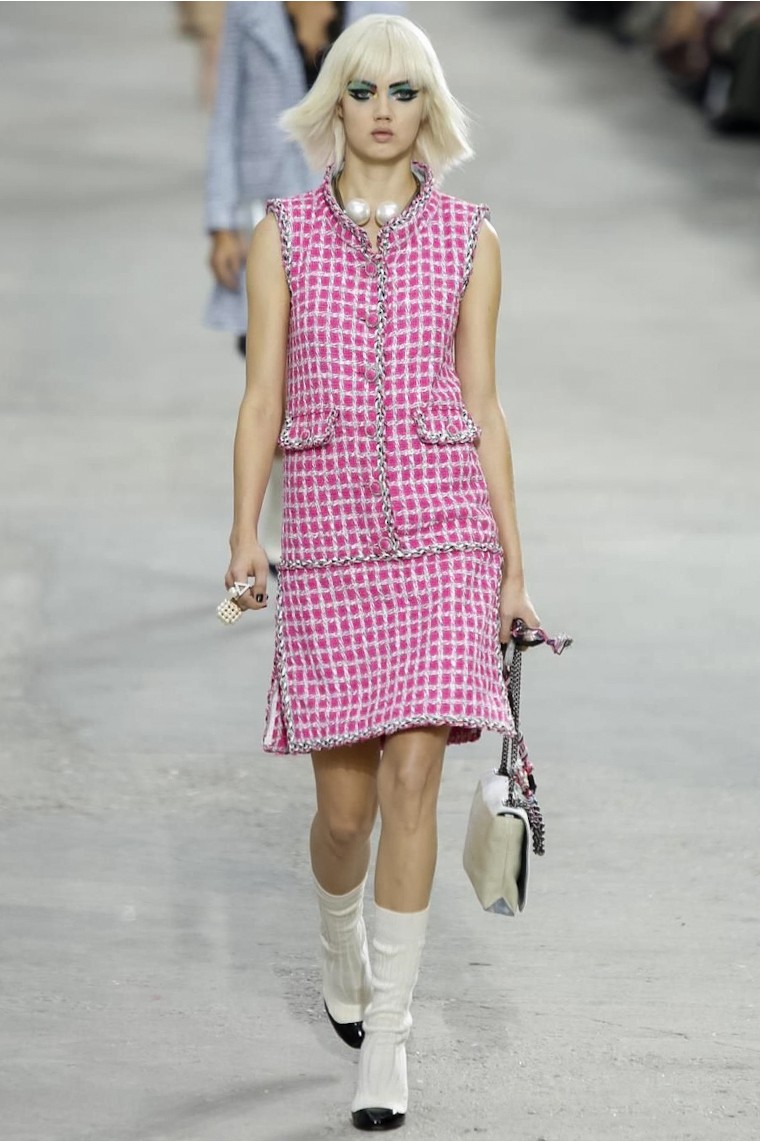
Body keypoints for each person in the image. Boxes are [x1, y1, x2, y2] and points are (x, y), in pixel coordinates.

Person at [224, 14, 540, 1132]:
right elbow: (261, 397)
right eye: (363, 90)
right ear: (336, 104)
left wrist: (512, 568)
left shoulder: (469, 237)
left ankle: (388, 1045)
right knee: (344, 816)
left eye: (406, 91)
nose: (383, 110)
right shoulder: (281, 235)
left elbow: (484, 403)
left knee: (414, 783)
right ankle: (338, 939)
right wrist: (244, 534)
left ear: (427, 108)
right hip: (328, 539)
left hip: (446, 536)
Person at [205, 2, 401, 566]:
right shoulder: (250, 11)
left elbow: (411, 111)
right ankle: (277, 526)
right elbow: (227, 115)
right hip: (267, 218)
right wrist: (221, 222)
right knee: (273, 384)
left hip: (356, 219)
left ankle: (342, 526)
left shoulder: (382, 10)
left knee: (346, 382)